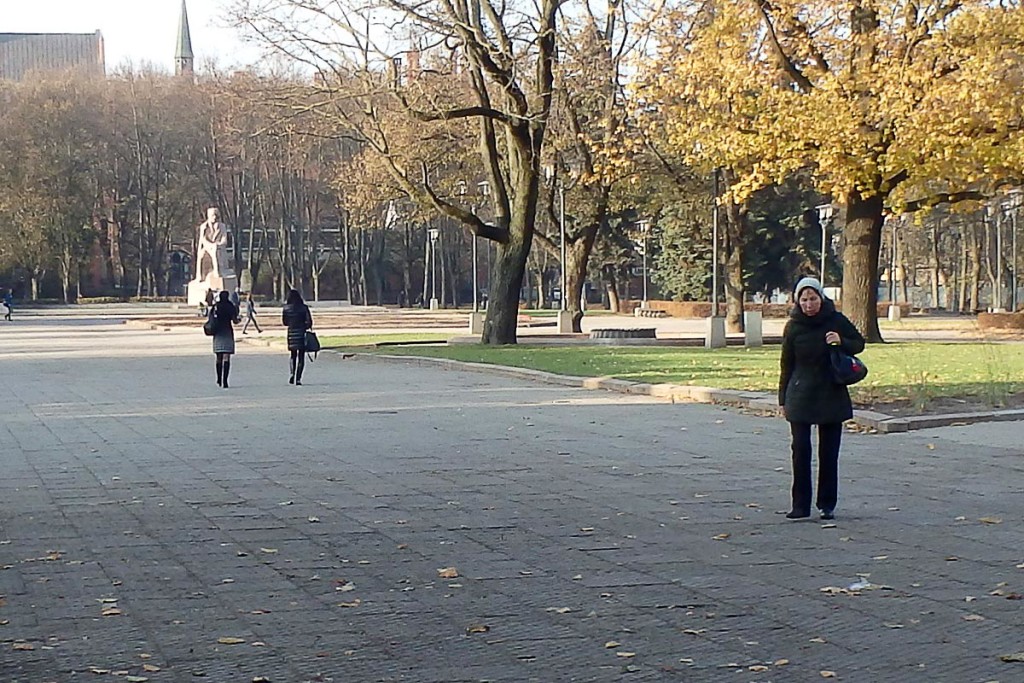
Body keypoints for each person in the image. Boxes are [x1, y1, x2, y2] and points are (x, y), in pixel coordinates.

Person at [778, 276, 865, 521]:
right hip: (801, 393)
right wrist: (783, 396)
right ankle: (800, 505)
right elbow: (786, 362)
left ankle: (827, 504)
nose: (808, 304)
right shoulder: (793, 326)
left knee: (829, 452)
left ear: (821, 297)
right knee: (800, 450)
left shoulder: (835, 320)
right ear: (798, 301)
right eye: (804, 300)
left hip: (830, 392)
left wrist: (841, 341)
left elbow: (859, 343)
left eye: (813, 298)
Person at [282, 289, 313, 386]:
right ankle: (298, 378)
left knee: (293, 355)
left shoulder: (286, 308)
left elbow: (285, 322)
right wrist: (304, 326)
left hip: (291, 333)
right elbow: (309, 322)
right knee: (301, 356)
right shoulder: (304, 308)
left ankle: (292, 373)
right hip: (301, 333)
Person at [210, 290, 240, 389]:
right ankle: (225, 381)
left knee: (218, 357)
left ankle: (218, 378)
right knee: (226, 357)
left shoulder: (216, 307)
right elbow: (235, 320)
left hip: (218, 332)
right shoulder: (230, 306)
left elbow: (210, 319)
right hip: (227, 331)